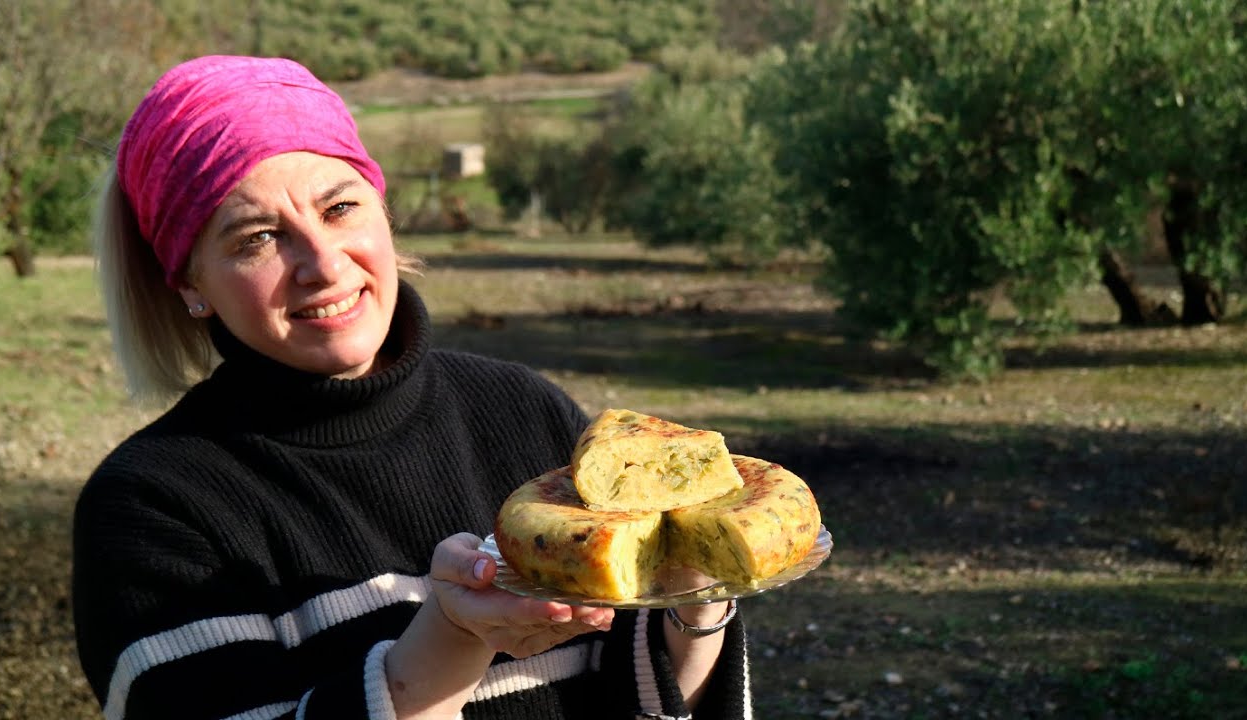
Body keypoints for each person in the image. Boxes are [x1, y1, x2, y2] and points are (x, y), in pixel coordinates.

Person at [72, 55, 750, 720]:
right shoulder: (152, 506)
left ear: (382, 210)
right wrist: (451, 638)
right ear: (190, 283)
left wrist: (697, 592)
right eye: (258, 237)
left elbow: (647, 694)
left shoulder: (525, 413)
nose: (323, 264)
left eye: (339, 208)